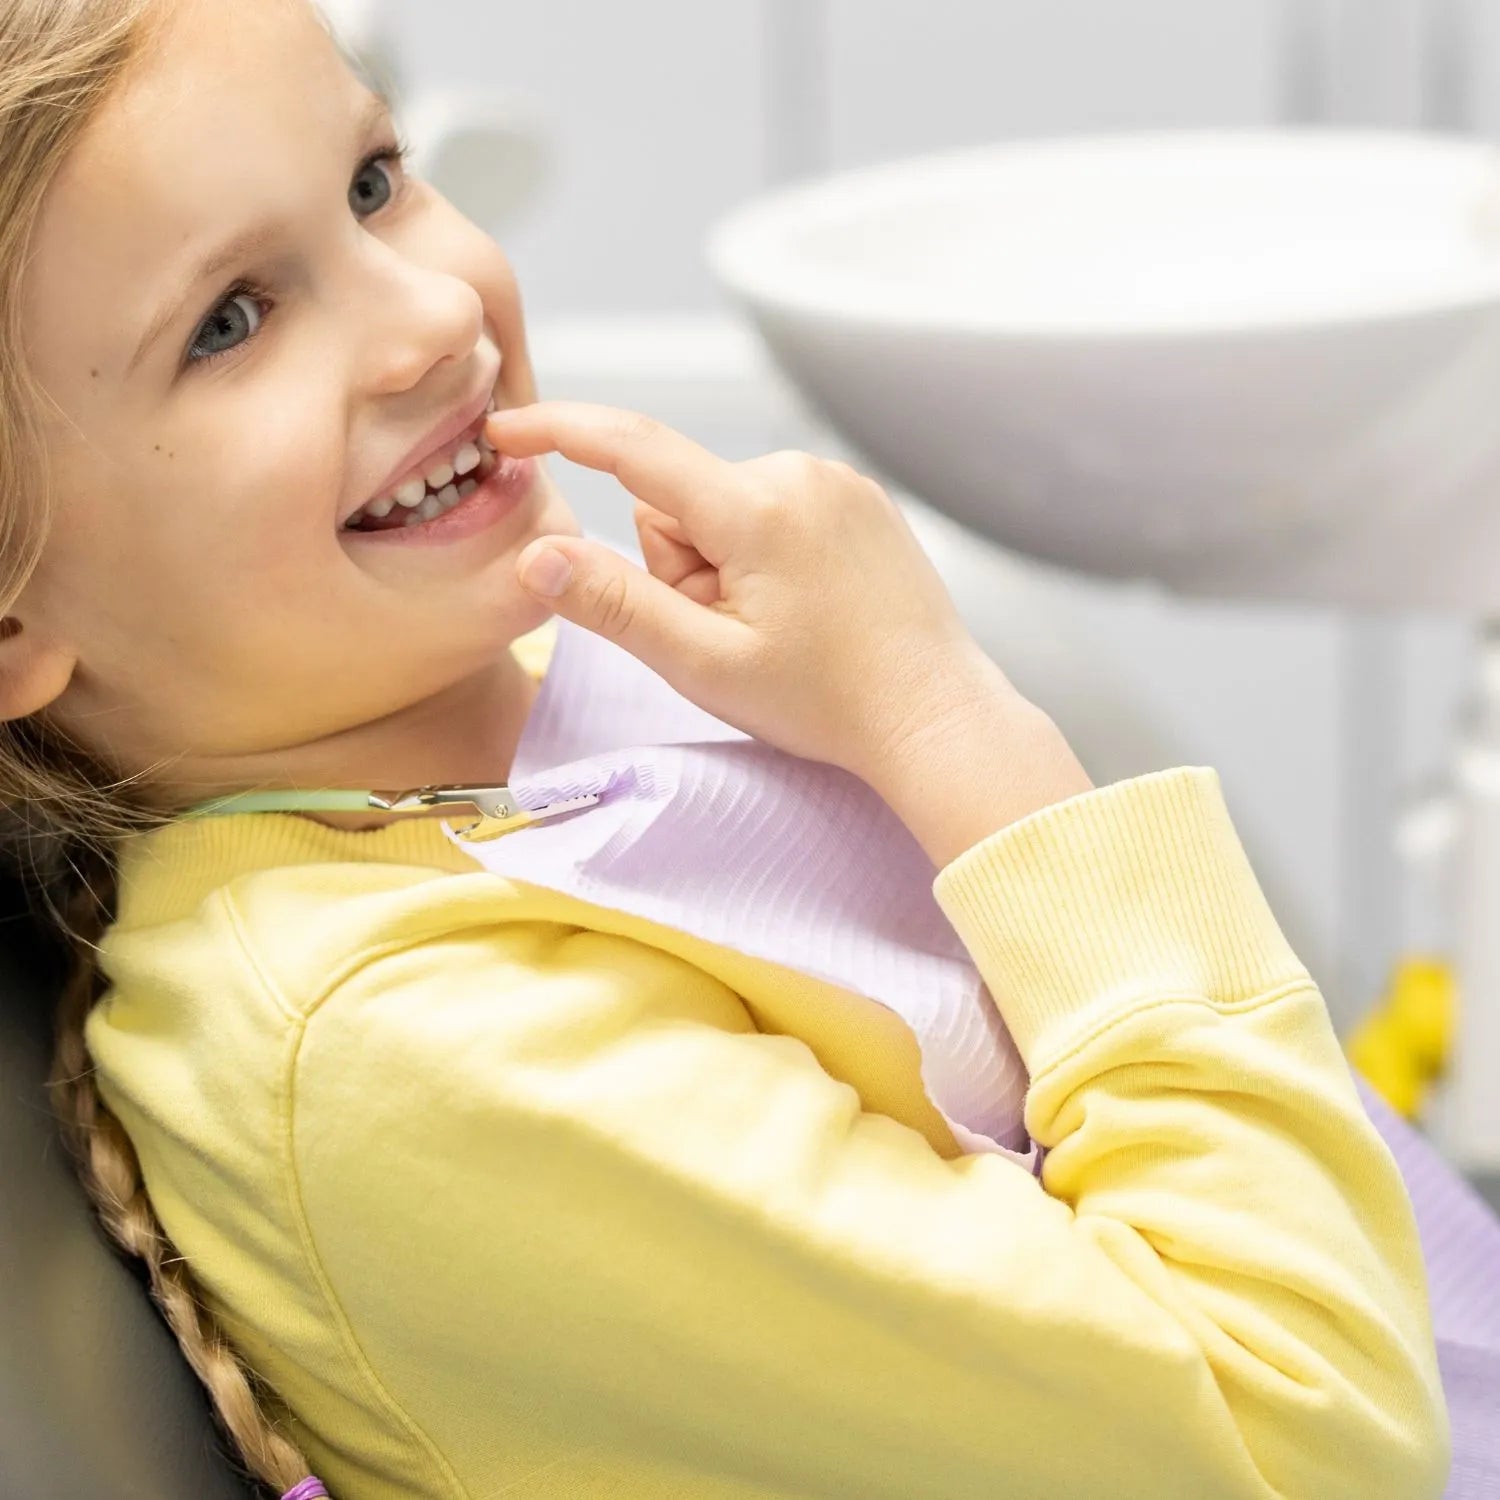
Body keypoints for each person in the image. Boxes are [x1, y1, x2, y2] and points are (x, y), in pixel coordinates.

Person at [1, 0, 1449, 1496]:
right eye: (230, 321)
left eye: (374, 181)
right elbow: (1319, 1449)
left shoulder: (550, 689)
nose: (432, 316)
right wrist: (943, 720)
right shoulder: (407, 1060)